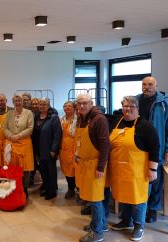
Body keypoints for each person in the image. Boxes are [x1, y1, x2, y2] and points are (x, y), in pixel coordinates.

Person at [110, 96, 159, 241]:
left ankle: (139, 226)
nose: (127, 109)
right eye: (125, 106)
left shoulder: (145, 126)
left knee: (138, 200)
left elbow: (155, 148)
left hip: (138, 172)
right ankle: (126, 221)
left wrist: (153, 169)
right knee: (124, 197)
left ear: (137, 108)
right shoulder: (117, 122)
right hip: (120, 171)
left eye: (131, 106)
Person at [136, 76, 168, 223]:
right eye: (144, 84)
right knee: (138, 179)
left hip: (157, 148)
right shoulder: (135, 101)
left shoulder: (165, 104)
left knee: (154, 181)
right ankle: (138, 206)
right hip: (137, 148)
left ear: (156, 86)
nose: (146, 87)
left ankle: (153, 209)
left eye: (150, 84)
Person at [75, 94, 109, 242]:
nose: (82, 106)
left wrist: (101, 167)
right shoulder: (82, 118)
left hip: (96, 164)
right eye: (79, 103)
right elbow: (80, 139)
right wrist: (77, 153)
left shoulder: (99, 119)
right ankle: (101, 223)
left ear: (91, 103)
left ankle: (97, 233)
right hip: (84, 163)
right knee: (92, 198)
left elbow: (105, 145)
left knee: (95, 199)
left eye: (85, 103)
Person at [4, 94, 34, 198]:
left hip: (25, 144)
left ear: (23, 102)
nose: (18, 103)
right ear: (13, 102)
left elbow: (30, 128)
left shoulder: (28, 113)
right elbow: (5, 128)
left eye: (19, 100)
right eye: (15, 101)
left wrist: (19, 136)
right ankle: (14, 188)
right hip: (12, 143)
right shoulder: (9, 113)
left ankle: (24, 188)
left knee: (25, 168)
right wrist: (11, 136)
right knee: (13, 167)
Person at [32, 98, 62, 200]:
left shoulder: (53, 117)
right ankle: (47, 187)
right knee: (43, 171)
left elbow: (58, 135)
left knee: (51, 171)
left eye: (44, 104)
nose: (42, 106)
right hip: (39, 150)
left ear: (48, 106)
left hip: (49, 150)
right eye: (40, 104)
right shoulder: (36, 117)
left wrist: (54, 149)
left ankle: (52, 191)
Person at [59, 101, 78, 199]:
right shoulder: (61, 120)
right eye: (65, 106)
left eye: (69, 106)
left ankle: (79, 190)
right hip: (64, 149)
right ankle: (70, 189)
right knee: (66, 171)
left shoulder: (78, 120)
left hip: (75, 149)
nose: (67, 108)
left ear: (74, 108)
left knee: (76, 171)